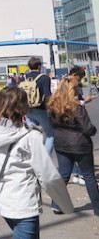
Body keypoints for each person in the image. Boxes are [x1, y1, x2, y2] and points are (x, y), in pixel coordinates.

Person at [0, 86, 73, 237]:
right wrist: (65, 205)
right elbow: (47, 175)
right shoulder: (31, 137)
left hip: (2, 202)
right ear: (23, 106)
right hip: (24, 206)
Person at [47, 77, 99, 216]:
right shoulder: (77, 107)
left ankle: (56, 205)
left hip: (61, 144)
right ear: (73, 90)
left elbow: (52, 125)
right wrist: (94, 130)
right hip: (80, 144)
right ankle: (97, 208)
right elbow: (88, 128)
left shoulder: (53, 106)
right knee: (89, 176)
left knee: (63, 175)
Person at [23, 57, 54, 155]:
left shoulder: (24, 77)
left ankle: (34, 158)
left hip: (27, 109)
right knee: (50, 135)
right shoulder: (44, 78)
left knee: (34, 135)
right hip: (40, 109)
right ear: (39, 66)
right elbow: (48, 96)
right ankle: (45, 160)